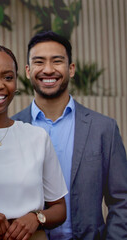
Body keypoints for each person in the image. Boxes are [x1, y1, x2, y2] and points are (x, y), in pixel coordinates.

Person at [12, 31, 127, 239]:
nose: (48, 70)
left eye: (57, 61)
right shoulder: (12, 128)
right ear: (28, 71)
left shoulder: (104, 129)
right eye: (39, 62)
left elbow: (121, 200)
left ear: (71, 69)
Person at [0, 39, 67, 240]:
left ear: (16, 82)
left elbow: (59, 209)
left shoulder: (37, 137)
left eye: (7, 77)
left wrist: (36, 217)